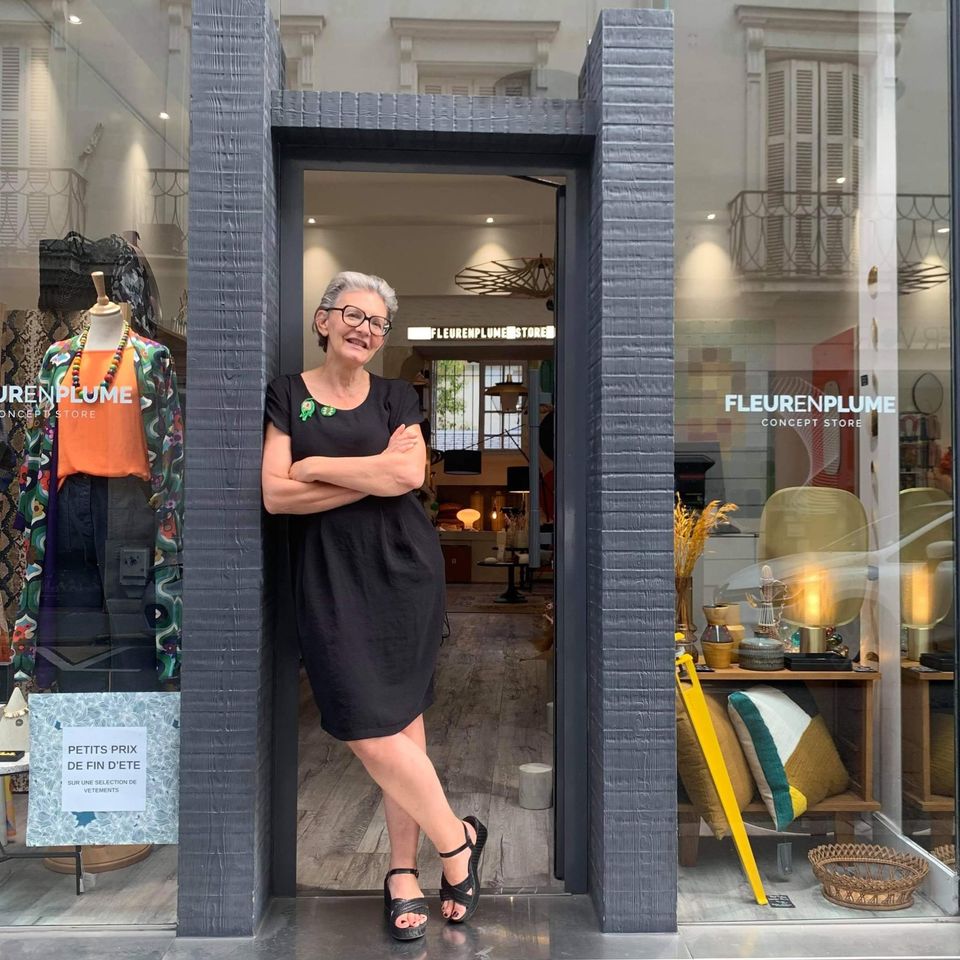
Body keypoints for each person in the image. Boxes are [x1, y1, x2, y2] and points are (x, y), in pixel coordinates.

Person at [261, 271, 487, 940]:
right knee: (364, 723)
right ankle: (458, 842)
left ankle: (402, 872)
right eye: (353, 315)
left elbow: (409, 475)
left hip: (403, 572)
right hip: (327, 577)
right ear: (324, 320)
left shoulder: (395, 397)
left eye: (378, 323)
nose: (365, 329)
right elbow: (275, 495)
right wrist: (370, 476)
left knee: (403, 726)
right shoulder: (287, 395)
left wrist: (315, 467)